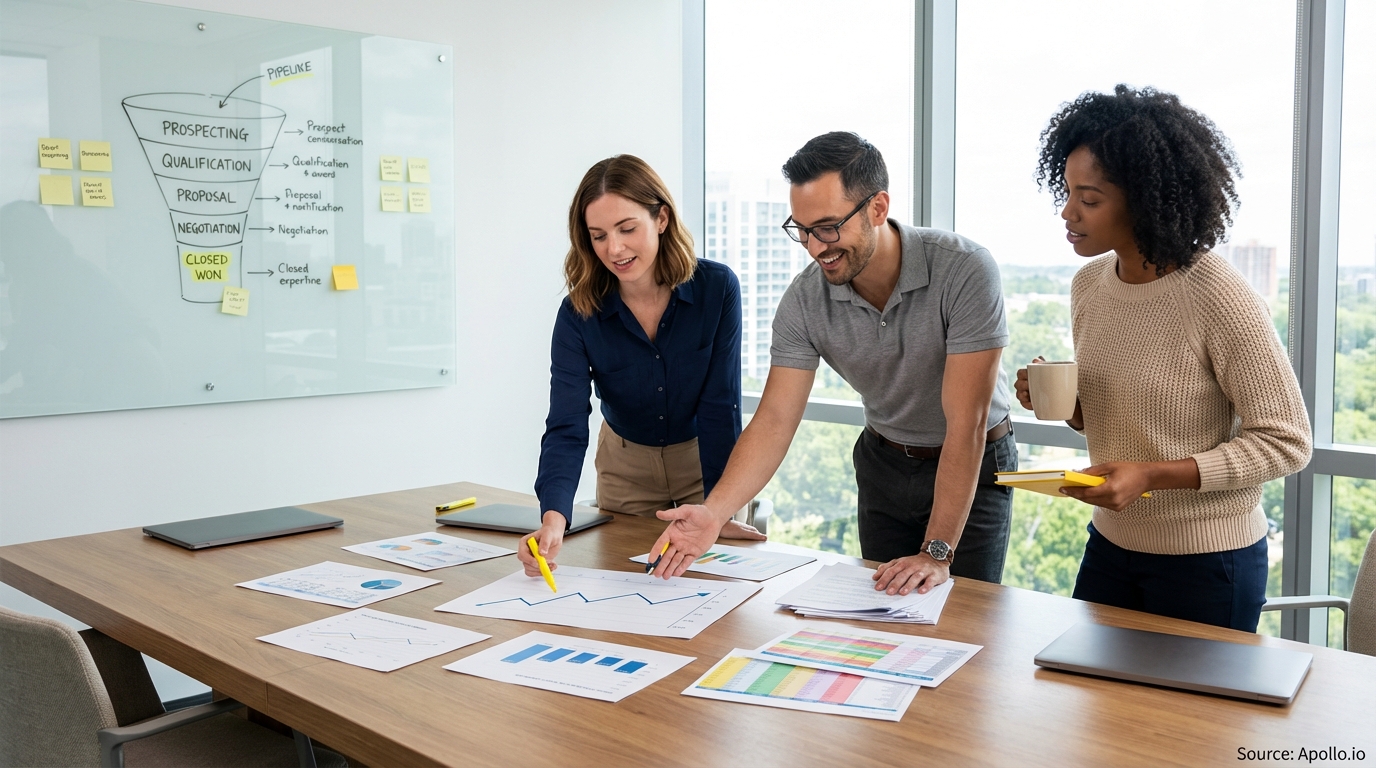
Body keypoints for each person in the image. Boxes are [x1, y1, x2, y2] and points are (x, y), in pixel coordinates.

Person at [646, 132, 1017, 596]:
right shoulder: (805, 300)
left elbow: (968, 423)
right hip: (884, 463)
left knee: (965, 614)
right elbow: (776, 418)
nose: (814, 246)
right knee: (882, 613)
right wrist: (714, 512)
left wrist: (937, 551)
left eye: (827, 226)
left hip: (975, 463)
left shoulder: (964, 270)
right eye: (801, 229)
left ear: (878, 208)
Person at [1014, 85, 1312, 632]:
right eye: (1067, 191)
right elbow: (1133, 422)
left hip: (1208, 562)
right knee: (1095, 713)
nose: (1068, 211)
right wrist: (1073, 407)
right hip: (1110, 545)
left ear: (1145, 199)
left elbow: (1287, 441)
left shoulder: (1216, 292)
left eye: (1090, 198)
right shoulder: (1089, 287)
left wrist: (1150, 475)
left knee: (1190, 722)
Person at [518, 155, 762, 579]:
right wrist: (554, 516)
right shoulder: (578, 313)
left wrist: (719, 509)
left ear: (661, 218)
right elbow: (567, 422)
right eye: (598, 236)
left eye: (627, 229)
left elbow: (720, 406)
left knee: (708, 596)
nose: (614, 249)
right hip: (623, 473)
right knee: (624, 592)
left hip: (701, 466)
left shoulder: (716, 289)